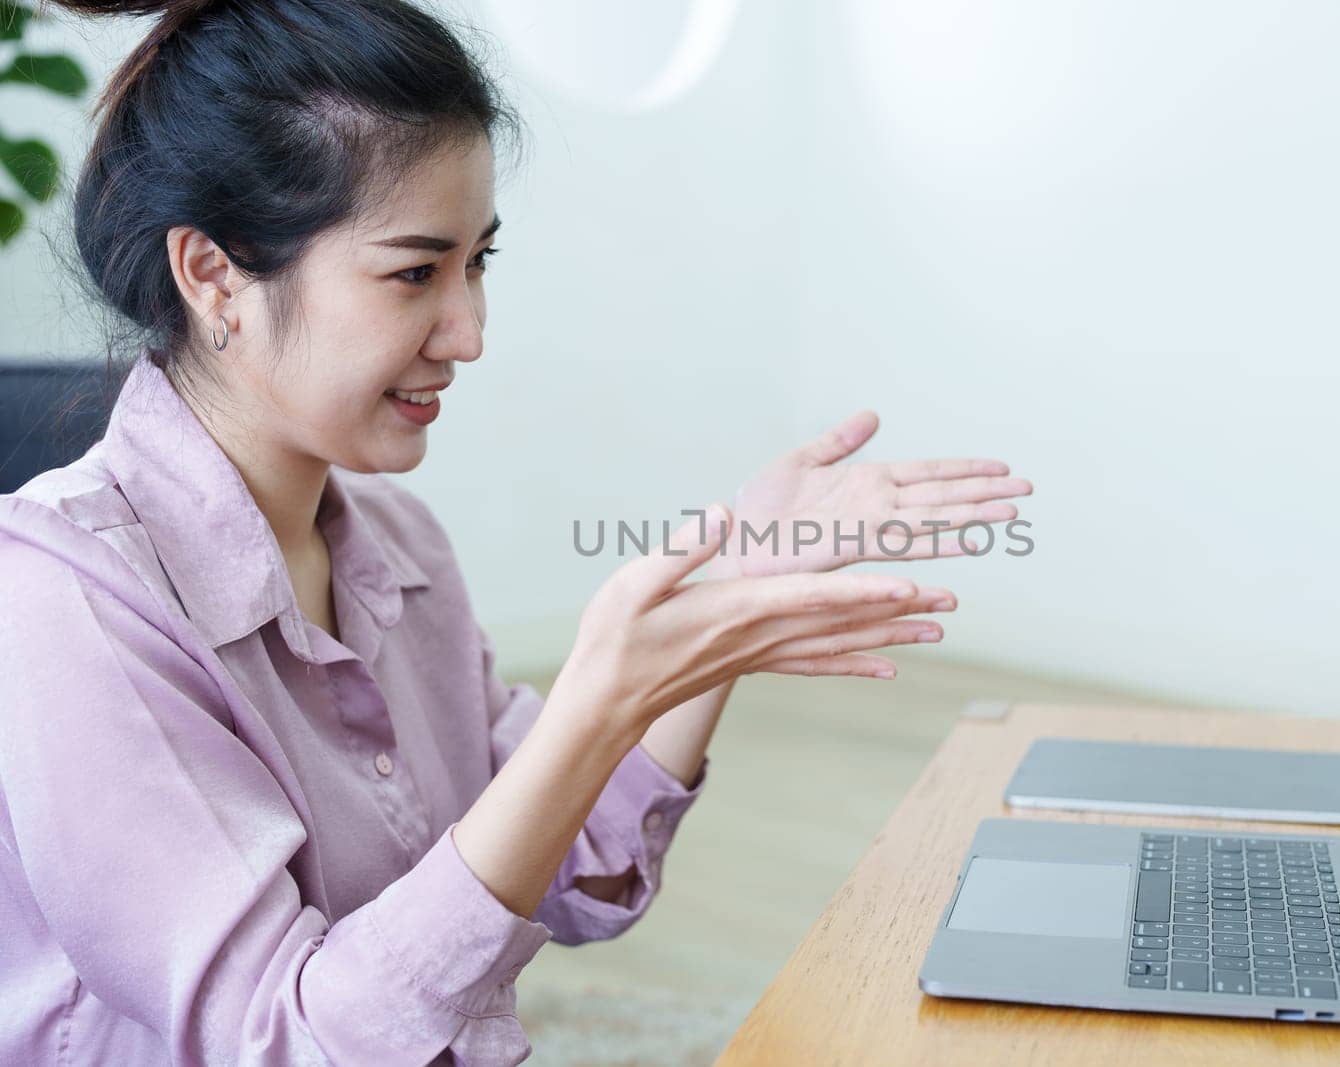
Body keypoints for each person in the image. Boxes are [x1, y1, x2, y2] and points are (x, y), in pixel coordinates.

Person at [0, 1, 1032, 1064]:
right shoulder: (65, 603)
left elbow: (577, 865)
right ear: (213, 273)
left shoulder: (396, 548)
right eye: (415, 272)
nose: (470, 333)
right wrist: (597, 701)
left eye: (478, 263)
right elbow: (286, 1040)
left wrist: (727, 594)